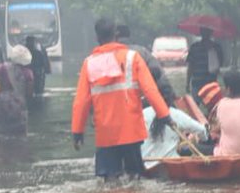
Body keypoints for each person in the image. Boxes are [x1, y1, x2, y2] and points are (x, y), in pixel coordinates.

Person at [72, 17, 174, 180]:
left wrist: (77, 131)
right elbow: (150, 90)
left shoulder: (89, 64)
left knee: (110, 180)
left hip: (105, 133)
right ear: (115, 34)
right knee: (134, 178)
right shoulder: (132, 58)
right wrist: (165, 115)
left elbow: (81, 102)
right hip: (131, 130)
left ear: (97, 37)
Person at [140, 60, 208, 172]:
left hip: (146, 165)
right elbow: (202, 131)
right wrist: (199, 139)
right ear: (172, 97)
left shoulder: (142, 114)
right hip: (171, 168)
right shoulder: (176, 115)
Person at [0, 44, 35, 135]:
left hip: (2, 103)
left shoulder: (3, 67)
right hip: (19, 105)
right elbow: (29, 93)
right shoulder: (28, 73)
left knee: (1, 133)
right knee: (20, 133)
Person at [186, 25, 225, 98]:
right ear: (212, 33)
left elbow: (190, 66)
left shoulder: (194, 47)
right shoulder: (216, 47)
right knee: (212, 107)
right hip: (210, 83)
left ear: (200, 32)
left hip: (198, 82)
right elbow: (220, 64)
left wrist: (187, 83)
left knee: (196, 106)